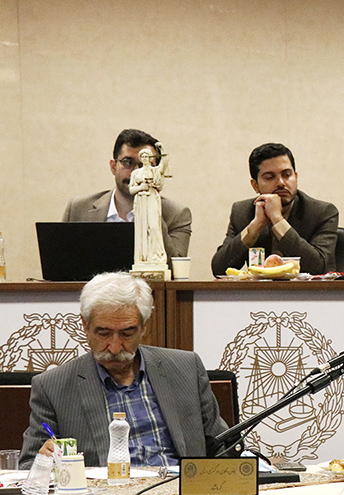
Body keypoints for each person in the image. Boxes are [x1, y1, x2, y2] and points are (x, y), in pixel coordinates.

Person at [19, 272, 227, 469]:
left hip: (179, 489)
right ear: (85, 325)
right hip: (104, 492)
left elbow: (223, 447)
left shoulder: (185, 368)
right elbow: (28, 466)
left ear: (144, 327)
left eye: (127, 333)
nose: (115, 347)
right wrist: (45, 461)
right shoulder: (53, 386)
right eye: (103, 333)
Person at [211, 143, 339, 275]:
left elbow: (319, 268)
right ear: (255, 185)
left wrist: (278, 220)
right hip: (260, 289)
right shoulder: (242, 212)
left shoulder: (322, 212)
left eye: (287, 175)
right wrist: (254, 228)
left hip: (305, 289)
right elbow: (219, 270)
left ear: (296, 177)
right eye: (270, 177)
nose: (281, 183)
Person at [62, 129, 191, 258]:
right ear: (113, 167)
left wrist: (153, 213)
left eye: (145, 165)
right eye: (128, 162)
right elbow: (62, 261)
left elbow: (176, 266)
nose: (136, 171)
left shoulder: (176, 214)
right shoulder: (78, 208)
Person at [129, 145, 170, 265]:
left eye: (147, 156)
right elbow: (131, 189)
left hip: (151, 199)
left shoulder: (155, 171)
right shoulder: (136, 173)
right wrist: (141, 187)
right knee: (142, 228)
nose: (145, 158)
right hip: (141, 201)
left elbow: (164, 165)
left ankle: (156, 255)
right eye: (143, 156)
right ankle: (144, 257)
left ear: (150, 158)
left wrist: (162, 150)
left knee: (153, 227)